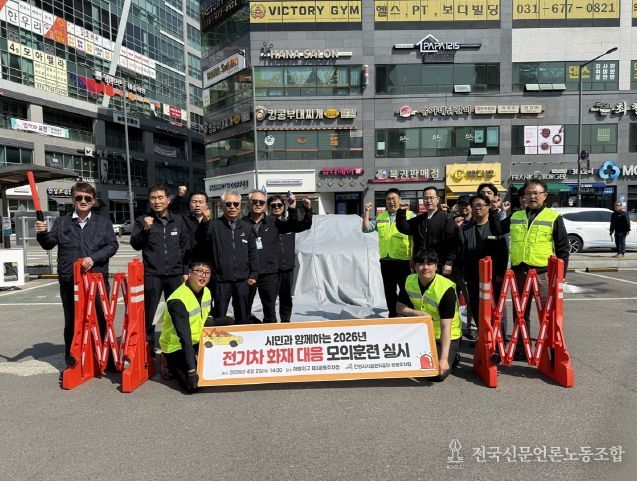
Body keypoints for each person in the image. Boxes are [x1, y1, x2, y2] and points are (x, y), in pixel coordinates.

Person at [35, 182, 119, 370]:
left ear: (93, 201)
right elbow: (48, 243)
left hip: (96, 280)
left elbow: (112, 245)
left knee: (102, 319)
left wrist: (94, 258)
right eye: (79, 197)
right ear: (73, 200)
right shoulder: (62, 222)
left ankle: (107, 360)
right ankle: (72, 361)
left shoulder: (103, 223)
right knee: (72, 322)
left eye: (87, 198)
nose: (83, 201)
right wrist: (42, 233)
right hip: (69, 281)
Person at [490, 179, 569, 360]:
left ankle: (549, 350)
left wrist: (561, 276)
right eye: (528, 193)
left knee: (547, 314)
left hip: (542, 273)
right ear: (524, 196)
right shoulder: (516, 215)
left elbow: (563, 248)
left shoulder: (553, 217)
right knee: (520, 313)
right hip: (519, 272)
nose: (532, 196)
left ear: (545, 196)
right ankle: (521, 349)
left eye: (536, 193)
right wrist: (495, 210)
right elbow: (497, 230)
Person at [130, 185, 191, 354]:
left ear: (168, 200)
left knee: (177, 312)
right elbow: (135, 244)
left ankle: (177, 347)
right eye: (153, 198)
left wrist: (185, 270)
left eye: (160, 197)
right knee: (150, 314)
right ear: (149, 201)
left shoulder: (178, 220)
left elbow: (185, 247)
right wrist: (145, 229)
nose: (157, 201)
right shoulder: (142, 220)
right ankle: (148, 348)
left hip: (175, 274)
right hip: (152, 274)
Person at [396, 249, 462, 381]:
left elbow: (446, 327)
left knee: (437, 374)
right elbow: (399, 308)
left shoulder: (446, 289)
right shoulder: (409, 280)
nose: (425, 267)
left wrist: (443, 359)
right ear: (415, 266)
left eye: (430, 264)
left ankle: (452, 355)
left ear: (436, 266)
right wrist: (417, 313)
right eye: (421, 264)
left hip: (444, 335)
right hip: (421, 332)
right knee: (402, 361)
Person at [243, 189, 309, 323]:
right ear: (249, 203)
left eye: (261, 202)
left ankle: (276, 329)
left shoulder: (274, 222)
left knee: (270, 310)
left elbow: (293, 226)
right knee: (244, 307)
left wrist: (292, 207)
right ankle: (250, 328)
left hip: (269, 273)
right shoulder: (242, 223)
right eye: (255, 202)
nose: (258, 204)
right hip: (248, 273)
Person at [198, 190, 258, 324]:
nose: (232, 207)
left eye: (236, 204)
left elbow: (252, 252)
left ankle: (241, 335)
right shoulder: (213, 225)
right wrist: (205, 222)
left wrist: (254, 274)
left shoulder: (247, 227)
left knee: (243, 315)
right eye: (228, 204)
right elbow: (202, 239)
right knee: (219, 315)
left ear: (240, 206)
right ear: (221, 206)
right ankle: (219, 337)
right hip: (221, 280)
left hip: (242, 280)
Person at [458, 194, 509, 339]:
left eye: (480, 205)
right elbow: (462, 252)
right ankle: (484, 338)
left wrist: (500, 274)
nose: (477, 208)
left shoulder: (496, 227)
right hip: (473, 277)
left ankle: (499, 339)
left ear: (488, 207)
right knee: (477, 308)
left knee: (496, 308)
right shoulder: (465, 229)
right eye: (474, 206)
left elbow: (504, 252)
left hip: (494, 277)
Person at [159, 260, 214, 394]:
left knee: (228, 321)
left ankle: (197, 355)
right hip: (176, 345)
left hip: (197, 338)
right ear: (189, 273)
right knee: (193, 386)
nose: (203, 275)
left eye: (207, 273)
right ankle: (166, 359)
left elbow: (205, 318)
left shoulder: (207, 291)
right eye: (199, 272)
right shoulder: (178, 300)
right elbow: (184, 337)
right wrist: (191, 371)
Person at [363, 188, 415, 318]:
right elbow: (366, 228)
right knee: (389, 290)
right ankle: (393, 314)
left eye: (394, 199)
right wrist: (366, 212)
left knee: (406, 289)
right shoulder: (381, 217)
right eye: (388, 199)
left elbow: (415, 238)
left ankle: (407, 313)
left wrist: (413, 257)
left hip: (403, 260)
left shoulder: (410, 215)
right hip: (386, 260)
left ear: (399, 200)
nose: (391, 202)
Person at [268, 194, 313, 322]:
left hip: (287, 267)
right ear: (269, 208)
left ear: (283, 207)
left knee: (286, 298)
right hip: (271, 269)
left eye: (279, 205)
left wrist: (307, 209)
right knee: (270, 299)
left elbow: (306, 225)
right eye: (273, 206)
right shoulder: (266, 224)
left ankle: (286, 322)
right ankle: (270, 323)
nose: (276, 208)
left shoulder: (289, 223)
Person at [395, 186, 459, 275]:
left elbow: (453, 243)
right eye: (425, 198)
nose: (428, 201)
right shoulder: (419, 219)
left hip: (438, 265)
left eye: (431, 198)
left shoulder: (446, 219)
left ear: (438, 199)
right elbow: (404, 228)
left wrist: (449, 262)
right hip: (420, 264)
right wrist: (401, 212)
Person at [182, 191, 210, 264]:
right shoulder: (183, 220)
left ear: (206, 205)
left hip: (207, 264)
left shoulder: (213, 223)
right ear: (189, 204)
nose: (197, 205)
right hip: (188, 263)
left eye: (201, 202)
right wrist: (179, 196)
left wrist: (206, 222)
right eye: (194, 202)